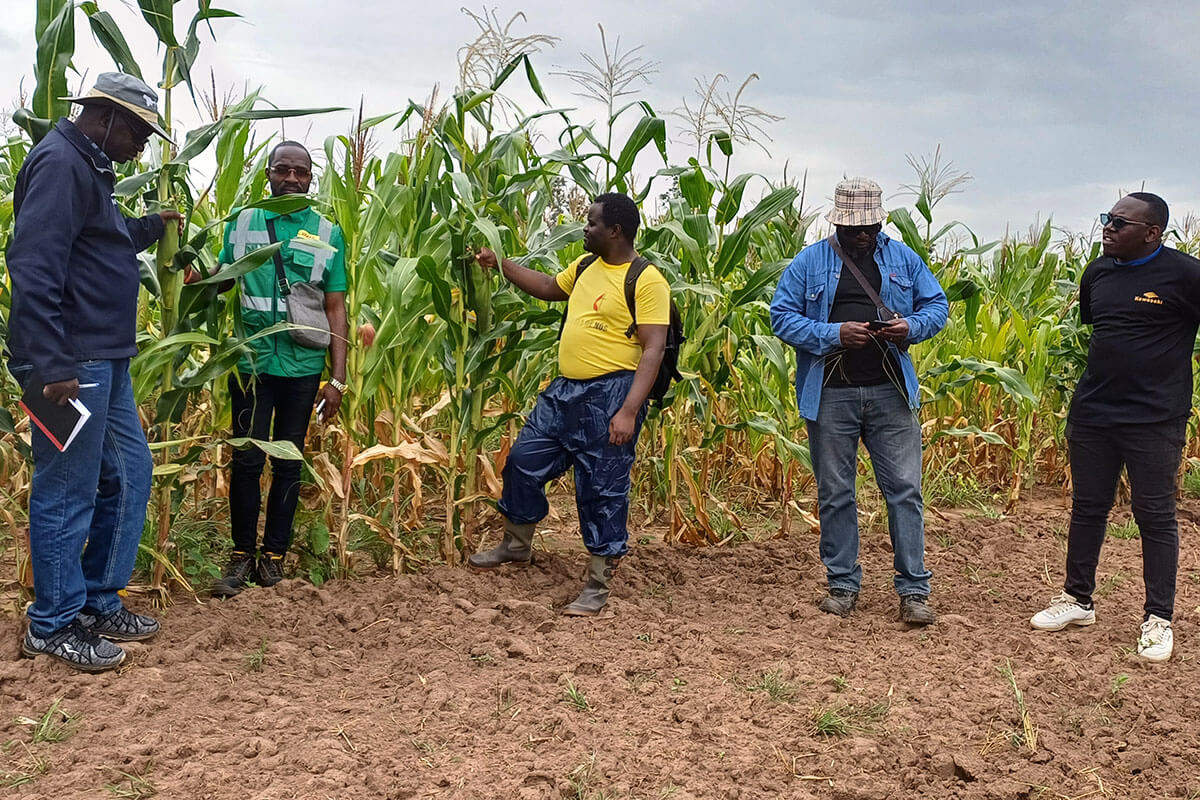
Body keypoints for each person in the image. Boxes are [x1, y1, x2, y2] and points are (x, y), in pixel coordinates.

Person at [7, 72, 182, 672]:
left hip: (105, 356)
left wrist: (151, 226)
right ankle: (52, 624)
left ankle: (96, 600)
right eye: (137, 131)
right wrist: (52, 361)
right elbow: (33, 265)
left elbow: (101, 242)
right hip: (70, 361)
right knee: (67, 487)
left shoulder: (91, 165)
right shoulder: (59, 163)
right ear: (106, 117)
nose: (141, 145)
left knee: (131, 472)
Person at [469, 193, 669, 616]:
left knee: (602, 486)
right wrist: (500, 263)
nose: (585, 228)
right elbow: (546, 287)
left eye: (592, 223)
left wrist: (629, 410)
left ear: (615, 231)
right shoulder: (583, 268)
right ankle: (516, 544)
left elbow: (653, 348)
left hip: (611, 395)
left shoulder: (647, 280)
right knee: (522, 460)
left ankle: (598, 580)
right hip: (564, 392)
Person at [770, 178, 948, 625]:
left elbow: (937, 306)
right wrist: (835, 334)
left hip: (891, 393)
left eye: (869, 226)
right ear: (838, 224)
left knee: (905, 492)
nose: (863, 235)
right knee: (835, 494)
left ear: (880, 220)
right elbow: (780, 316)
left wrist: (909, 327)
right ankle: (843, 585)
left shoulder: (902, 257)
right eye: (854, 229)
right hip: (830, 395)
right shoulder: (810, 262)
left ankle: (913, 592)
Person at [1030, 193, 1196, 662]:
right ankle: (1077, 600)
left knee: (1155, 515)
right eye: (1106, 218)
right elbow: (1099, 330)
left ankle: (1158, 619)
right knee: (1088, 507)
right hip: (1094, 413)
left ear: (1151, 233)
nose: (1107, 227)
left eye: (1119, 222)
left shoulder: (1186, 275)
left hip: (1155, 418)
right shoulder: (1098, 273)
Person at [205, 141, 349, 598]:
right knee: (246, 458)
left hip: (303, 365)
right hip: (250, 361)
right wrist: (190, 277)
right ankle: (241, 554)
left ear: (311, 177)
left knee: (288, 462)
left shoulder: (327, 231)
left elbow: (336, 306)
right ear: (267, 173)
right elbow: (225, 275)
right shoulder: (243, 221)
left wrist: (338, 378)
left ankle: (273, 558)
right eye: (282, 170)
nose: (291, 179)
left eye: (300, 172)